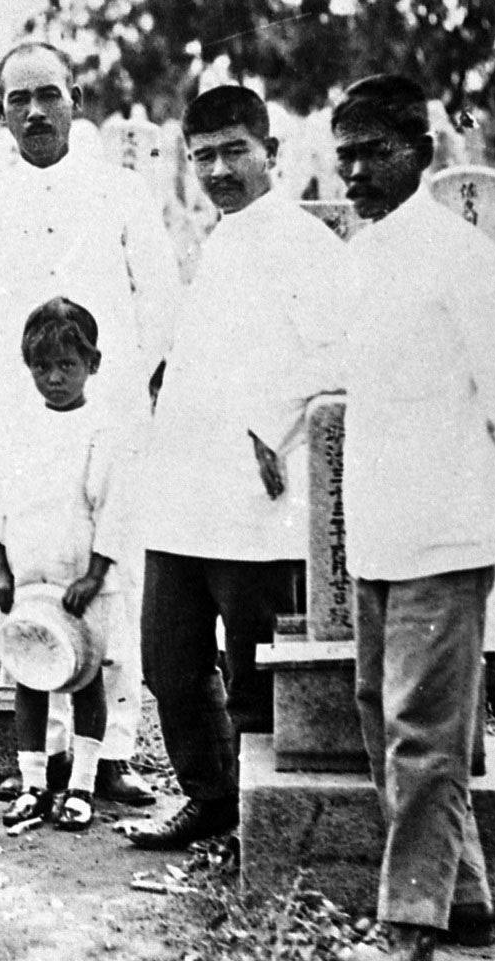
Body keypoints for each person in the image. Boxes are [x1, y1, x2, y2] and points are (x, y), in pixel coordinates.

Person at [326, 75, 495, 961]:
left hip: (448, 527)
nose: (353, 171)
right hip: (382, 527)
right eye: (342, 154)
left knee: (422, 731)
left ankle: (407, 925)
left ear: (420, 153)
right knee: (380, 711)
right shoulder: (366, 256)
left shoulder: (462, 260)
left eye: (371, 152)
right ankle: (461, 896)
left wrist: (487, 491)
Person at [0, 41, 182, 806]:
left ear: (77, 98)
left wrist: (123, 392)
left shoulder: (121, 192)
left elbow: (158, 296)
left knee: (112, 585)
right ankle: (40, 766)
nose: (36, 111)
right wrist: (7, 405)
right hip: (24, 423)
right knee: (34, 587)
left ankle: (110, 754)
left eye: (49, 94)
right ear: (0, 112)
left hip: (110, 415)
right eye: (20, 100)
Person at [122, 86, 347, 849]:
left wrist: (267, 430)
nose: (218, 169)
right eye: (202, 156)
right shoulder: (218, 241)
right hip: (186, 491)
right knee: (167, 657)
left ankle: (267, 818)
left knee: (253, 668)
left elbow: (334, 358)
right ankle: (211, 794)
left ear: (271, 155)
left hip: (258, 494)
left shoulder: (307, 244)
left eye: (233, 152)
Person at [0, 297, 118, 833]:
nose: (54, 378)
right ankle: (34, 782)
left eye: (67, 365)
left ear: (93, 364)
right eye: (42, 367)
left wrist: (95, 574)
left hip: (79, 580)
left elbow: (113, 506)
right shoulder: (19, 426)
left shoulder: (101, 429)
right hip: (30, 575)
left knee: (83, 677)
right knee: (29, 674)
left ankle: (82, 785)